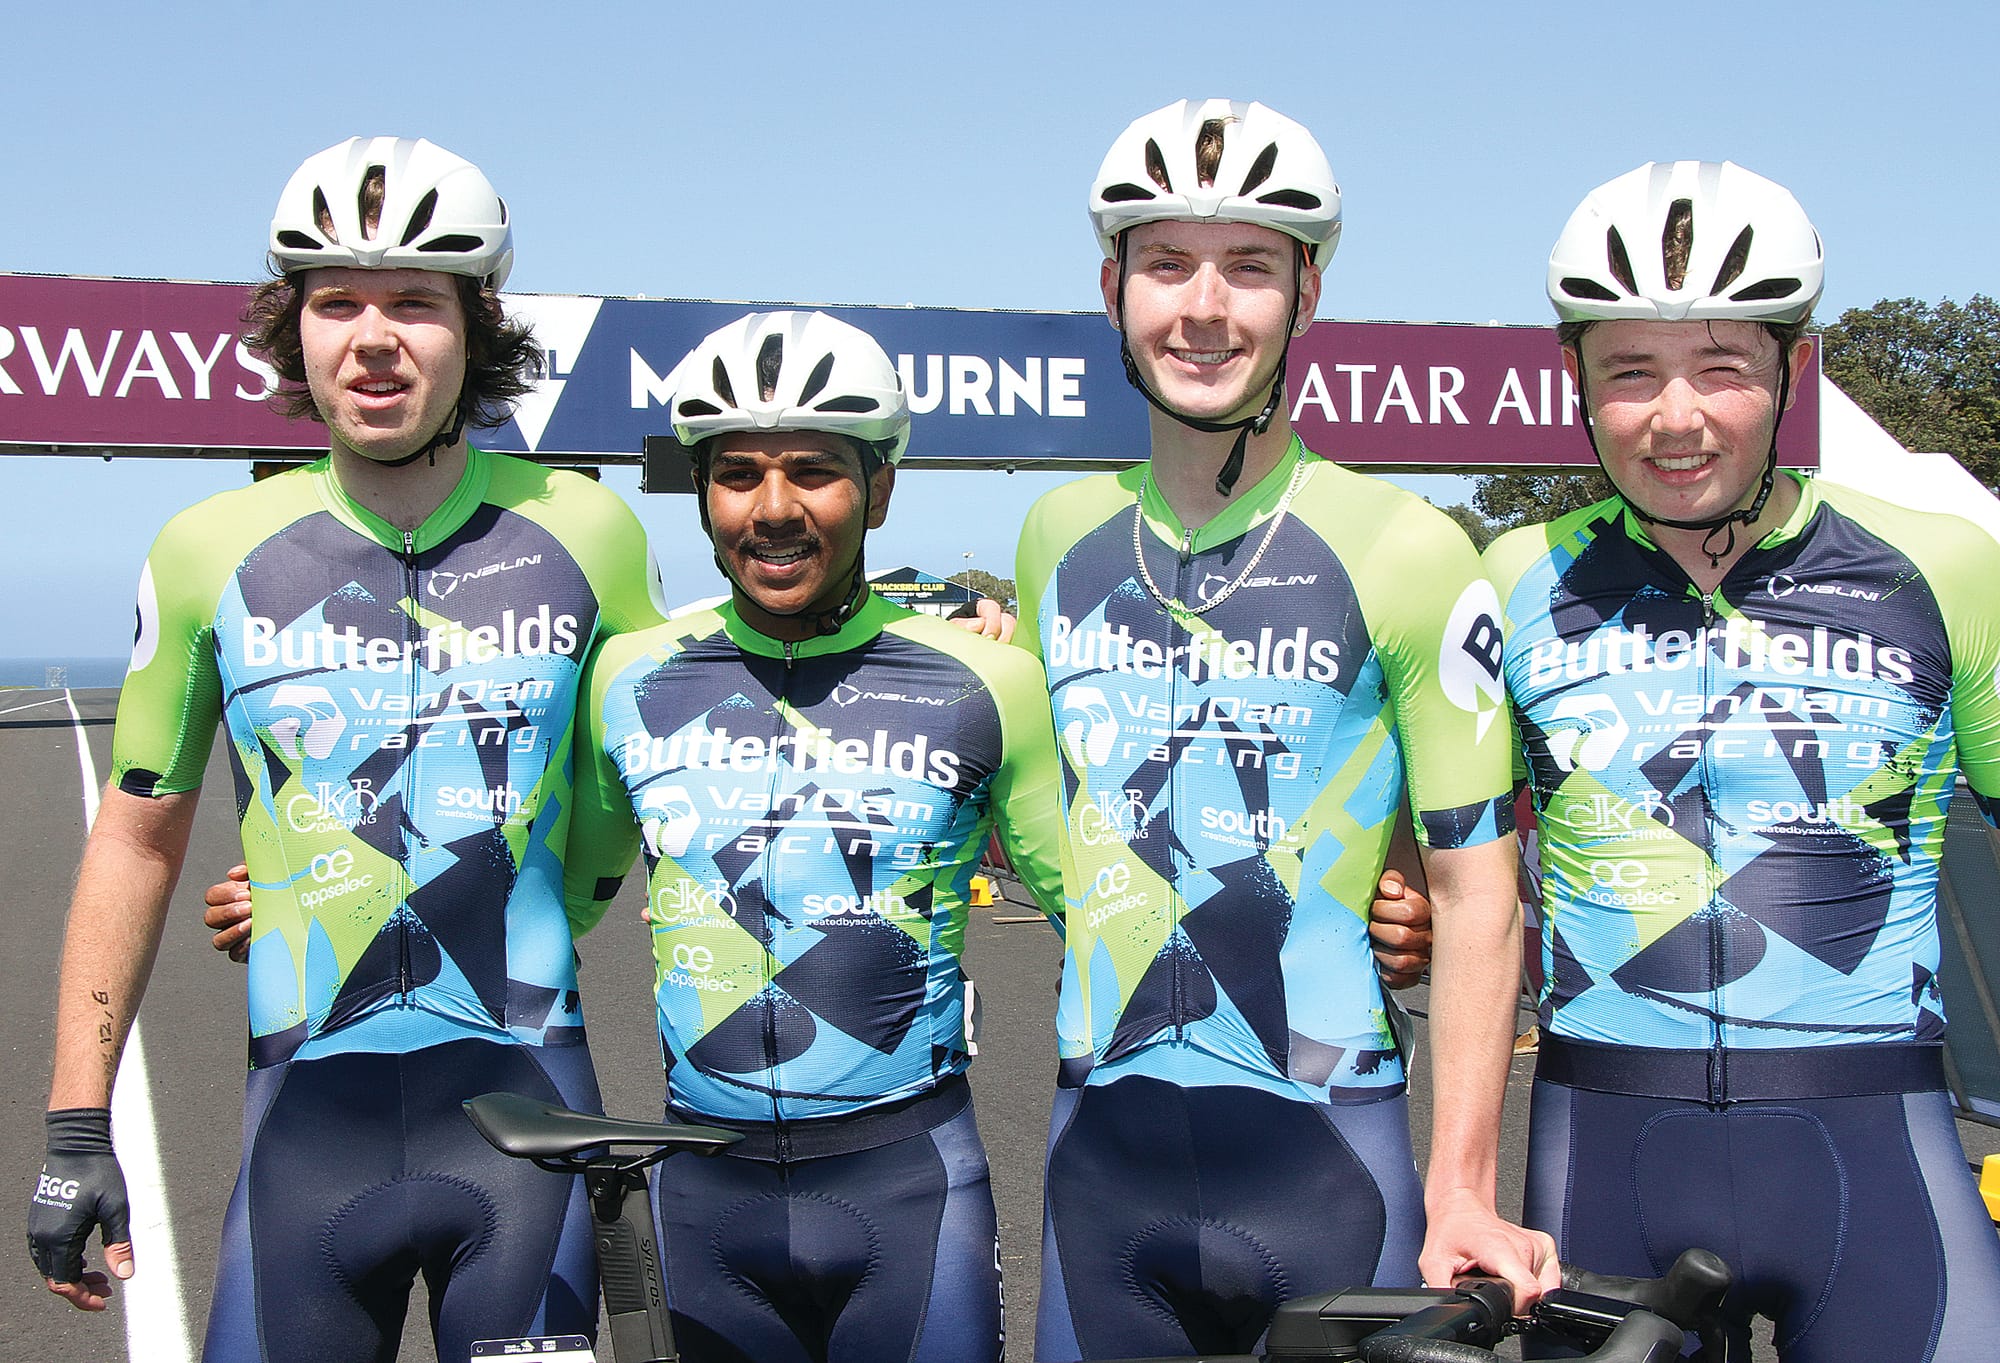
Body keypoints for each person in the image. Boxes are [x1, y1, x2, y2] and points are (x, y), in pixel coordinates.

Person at [26, 136, 667, 1361]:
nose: (374, 336)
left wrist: (545, 894)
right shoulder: (208, 546)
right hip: (303, 1140)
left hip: (530, 1127)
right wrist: (72, 1126)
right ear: (295, 330)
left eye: (416, 301)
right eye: (338, 302)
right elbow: (137, 830)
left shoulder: (591, 531)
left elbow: (660, 785)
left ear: (474, 331)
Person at [1012, 98, 1554, 1361]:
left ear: (1307, 294)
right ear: (1112, 287)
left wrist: (1462, 1183)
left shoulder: (1410, 551)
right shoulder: (1050, 538)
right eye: (1165, 263)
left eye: (1248, 265)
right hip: (1097, 1163)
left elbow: (1481, 892)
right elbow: (1054, 809)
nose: (1203, 307)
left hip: (1327, 1165)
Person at [1472, 159, 2000, 1359]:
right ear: (1577, 384)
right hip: (1599, 1153)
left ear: (1790, 371)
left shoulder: (1944, 567)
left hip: (1878, 1150)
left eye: (1721, 366)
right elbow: (1450, 869)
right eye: (1629, 372)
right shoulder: (1510, 580)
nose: (1675, 416)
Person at [563, 309, 1068, 1362]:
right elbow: (543, 888)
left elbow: (1108, 903)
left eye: (813, 472)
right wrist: (286, 885)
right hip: (702, 1191)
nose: (774, 509)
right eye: (737, 472)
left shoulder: (988, 681)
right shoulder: (629, 680)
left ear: (879, 488)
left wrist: (1389, 888)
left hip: (911, 1181)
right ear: (701, 493)